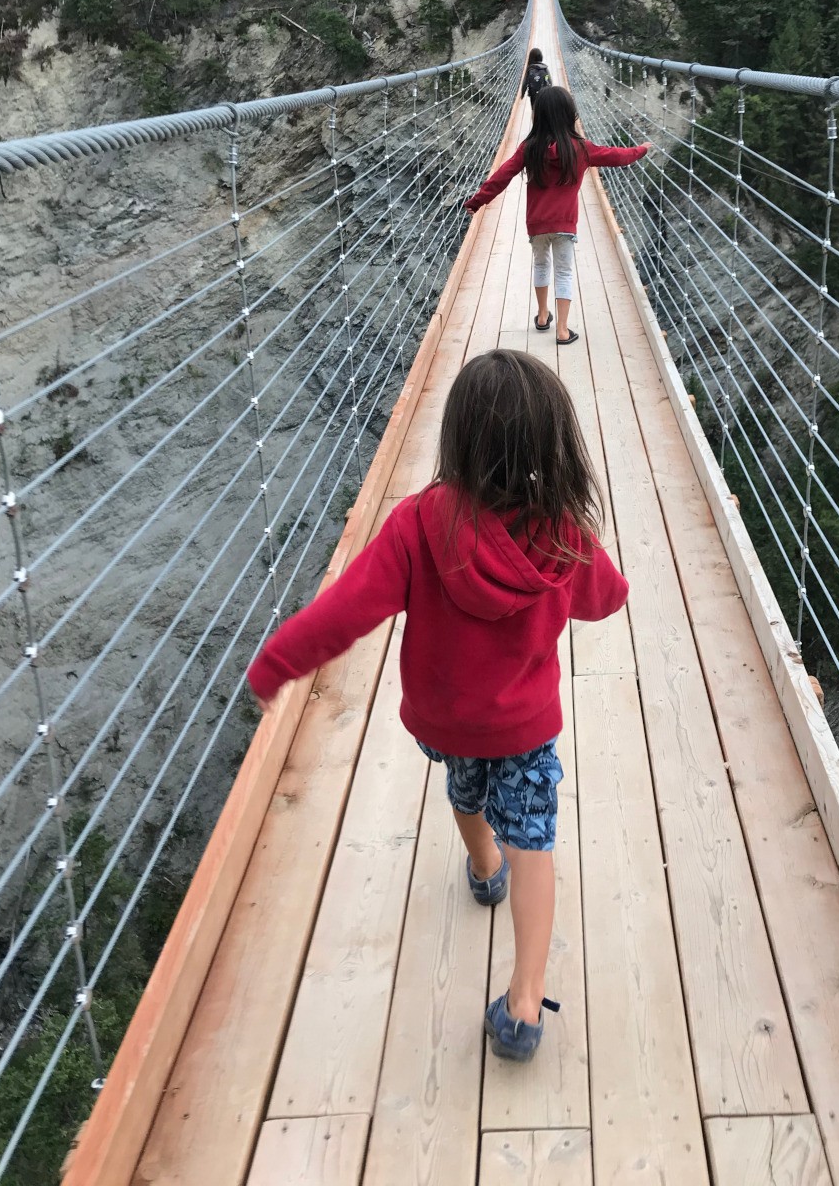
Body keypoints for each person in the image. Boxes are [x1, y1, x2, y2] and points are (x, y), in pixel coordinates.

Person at [247, 350, 629, 1062]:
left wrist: (277, 662)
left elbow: (347, 611)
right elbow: (607, 599)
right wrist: (581, 541)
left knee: (465, 791)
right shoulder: (561, 535)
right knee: (535, 843)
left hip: (447, 723)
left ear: (456, 438)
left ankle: (484, 869)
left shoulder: (418, 524)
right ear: (551, 445)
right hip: (525, 728)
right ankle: (523, 1003)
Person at [464, 86, 649, 345]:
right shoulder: (581, 149)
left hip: (537, 224)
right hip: (565, 225)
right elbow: (616, 156)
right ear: (568, 115)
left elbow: (502, 176)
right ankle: (562, 330)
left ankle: (542, 317)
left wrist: (477, 202)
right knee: (564, 273)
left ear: (538, 116)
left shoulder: (529, 148)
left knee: (541, 265)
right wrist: (641, 149)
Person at [522, 47, 550, 115]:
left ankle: (535, 124)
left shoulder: (530, 69)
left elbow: (525, 83)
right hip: (545, 95)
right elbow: (550, 81)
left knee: (534, 111)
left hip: (534, 96)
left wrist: (522, 94)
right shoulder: (545, 68)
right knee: (545, 111)